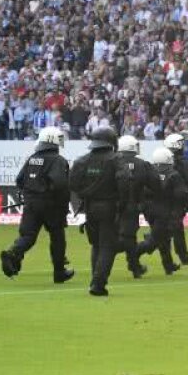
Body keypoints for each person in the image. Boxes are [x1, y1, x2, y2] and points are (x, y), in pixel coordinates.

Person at [0, 127, 73, 283]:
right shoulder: (57, 160)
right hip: (50, 205)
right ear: (52, 140)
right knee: (57, 237)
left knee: (28, 236)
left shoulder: (32, 158)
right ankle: (59, 272)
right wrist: (59, 201)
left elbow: (20, 180)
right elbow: (60, 184)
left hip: (31, 204)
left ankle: (12, 253)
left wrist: (30, 193)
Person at [68, 127, 121, 296]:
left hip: (89, 207)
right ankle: (98, 283)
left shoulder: (82, 161)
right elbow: (126, 182)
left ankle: (95, 280)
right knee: (107, 246)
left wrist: (85, 193)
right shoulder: (115, 160)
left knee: (96, 245)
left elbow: (73, 183)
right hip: (110, 207)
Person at [136, 148, 188, 275]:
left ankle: (168, 265)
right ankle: (134, 252)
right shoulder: (173, 174)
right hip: (165, 212)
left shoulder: (149, 172)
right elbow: (181, 194)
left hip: (150, 211)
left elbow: (141, 191)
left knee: (163, 238)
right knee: (155, 239)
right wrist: (187, 205)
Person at [114, 135, 159, 279]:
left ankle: (134, 266)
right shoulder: (142, 164)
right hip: (131, 207)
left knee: (113, 236)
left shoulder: (112, 162)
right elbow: (155, 184)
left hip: (112, 206)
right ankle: (133, 266)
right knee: (128, 238)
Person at [164, 133, 188, 265]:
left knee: (176, 227)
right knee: (174, 227)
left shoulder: (163, 161)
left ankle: (182, 254)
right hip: (178, 199)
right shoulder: (184, 162)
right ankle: (147, 244)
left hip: (165, 199)